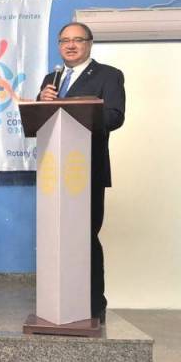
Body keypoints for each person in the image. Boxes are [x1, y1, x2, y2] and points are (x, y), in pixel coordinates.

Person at [39, 21, 126, 324]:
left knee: (85, 238)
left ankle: (92, 306)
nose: (71, 45)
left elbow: (114, 117)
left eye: (77, 40)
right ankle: (58, 302)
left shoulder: (109, 75)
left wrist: (78, 107)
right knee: (57, 239)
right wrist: (41, 102)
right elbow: (41, 122)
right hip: (54, 175)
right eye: (65, 41)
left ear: (89, 43)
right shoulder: (51, 78)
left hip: (87, 171)